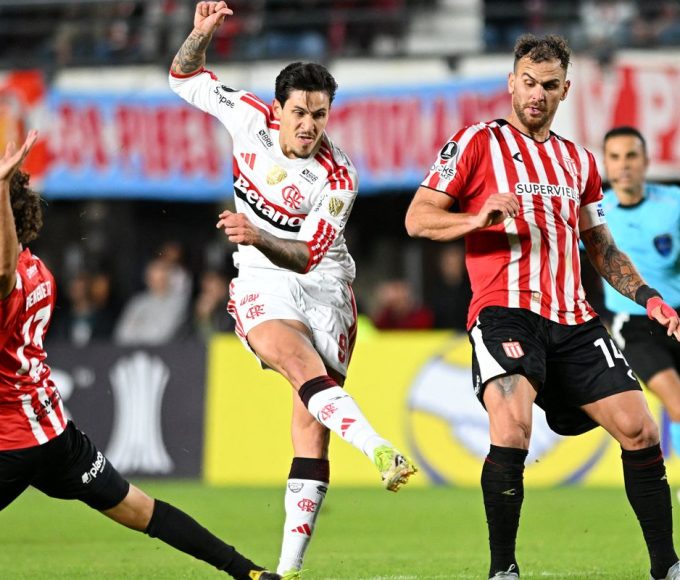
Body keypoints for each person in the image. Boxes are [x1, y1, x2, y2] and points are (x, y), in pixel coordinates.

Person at [405, 34, 680, 580]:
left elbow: (600, 245)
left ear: (565, 90)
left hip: (575, 318)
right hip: (505, 312)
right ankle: (503, 569)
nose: (537, 94)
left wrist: (648, 297)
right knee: (511, 430)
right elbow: (417, 218)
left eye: (549, 85)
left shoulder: (579, 161)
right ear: (511, 82)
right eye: (528, 82)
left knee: (640, 430)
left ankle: (667, 566)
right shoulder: (476, 143)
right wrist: (475, 218)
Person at [169, 3, 416, 578]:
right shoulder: (245, 115)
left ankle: (287, 571)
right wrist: (200, 35)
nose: (309, 125)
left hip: (325, 285)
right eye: (300, 112)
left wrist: (256, 232)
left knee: (310, 428)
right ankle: (378, 447)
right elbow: (182, 76)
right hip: (261, 279)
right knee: (296, 362)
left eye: (320, 115)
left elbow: (307, 255)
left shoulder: (338, 176)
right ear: (277, 109)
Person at [0, 131, 280, 580]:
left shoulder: (10, 278)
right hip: (53, 434)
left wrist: (0, 188)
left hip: (11, 440)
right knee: (140, 509)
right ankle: (247, 571)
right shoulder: (41, 273)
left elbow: (2, 273)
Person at [601, 126, 680, 458]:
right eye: (615, 157)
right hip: (634, 325)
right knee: (678, 403)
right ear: (605, 164)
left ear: (646, 161)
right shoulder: (594, 214)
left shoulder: (673, 204)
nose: (624, 164)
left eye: (631, 155)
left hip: (676, 317)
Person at [113, 256, 189, 345]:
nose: (156, 280)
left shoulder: (178, 302)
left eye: (161, 276)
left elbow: (162, 335)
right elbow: (122, 334)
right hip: (133, 351)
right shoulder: (137, 301)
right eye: (152, 276)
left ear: (168, 278)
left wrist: (139, 326)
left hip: (165, 352)